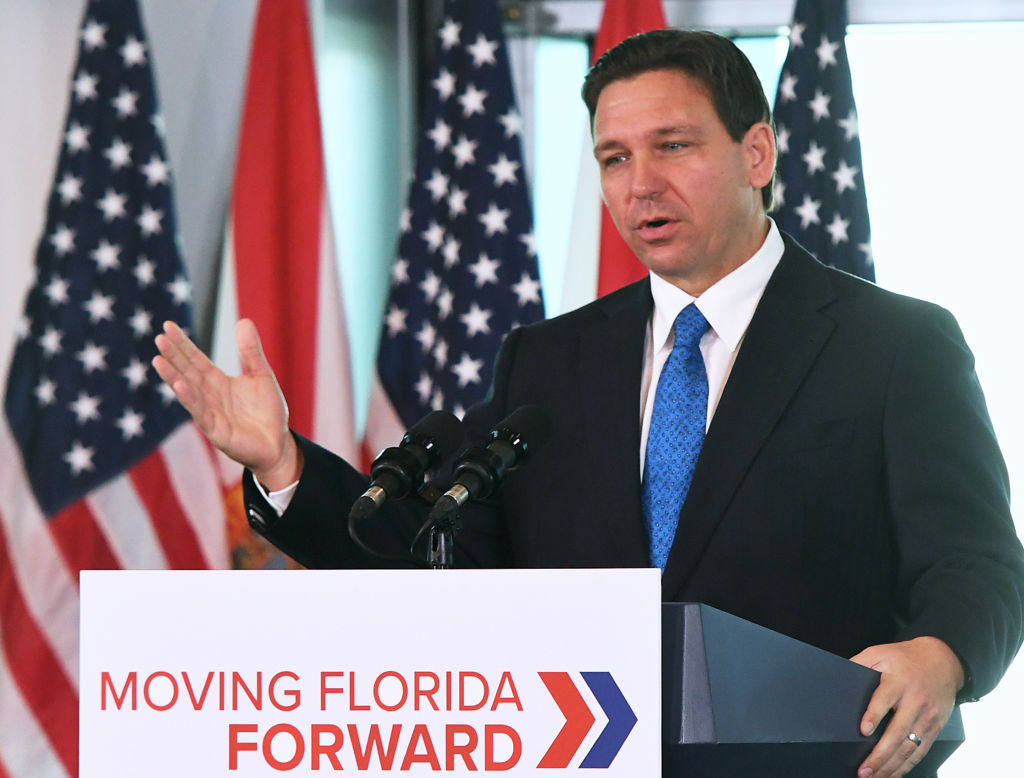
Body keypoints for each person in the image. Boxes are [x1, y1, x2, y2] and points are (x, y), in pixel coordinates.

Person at [154, 29, 1024, 778]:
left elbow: (977, 563)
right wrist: (282, 465)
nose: (638, 184)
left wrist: (940, 654)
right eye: (614, 158)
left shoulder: (896, 346)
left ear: (756, 153)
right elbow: (442, 560)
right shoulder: (549, 359)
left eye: (673, 146)